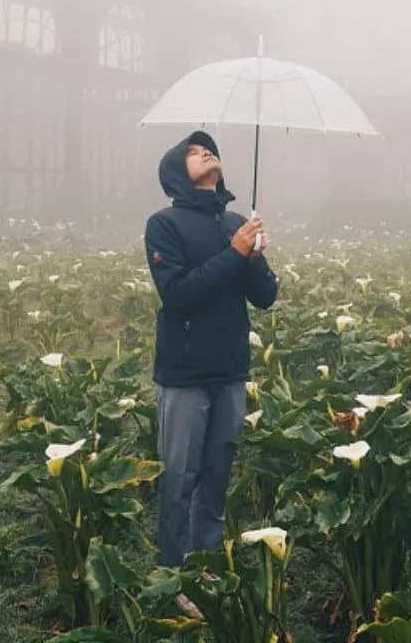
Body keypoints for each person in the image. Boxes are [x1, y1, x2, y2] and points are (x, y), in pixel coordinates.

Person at [144, 130, 278, 591]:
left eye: (209, 149)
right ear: (176, 173)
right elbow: (179, 295)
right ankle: (172, 579)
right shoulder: (164, 225)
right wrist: (235, 252)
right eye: (193, 152)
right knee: (179, 481)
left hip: (229, 369)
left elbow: (265, 298)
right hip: (184, 374)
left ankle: (203, 568)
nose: (206, 152)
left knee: (217, 477)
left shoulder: (235, 222)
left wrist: (255, 256)